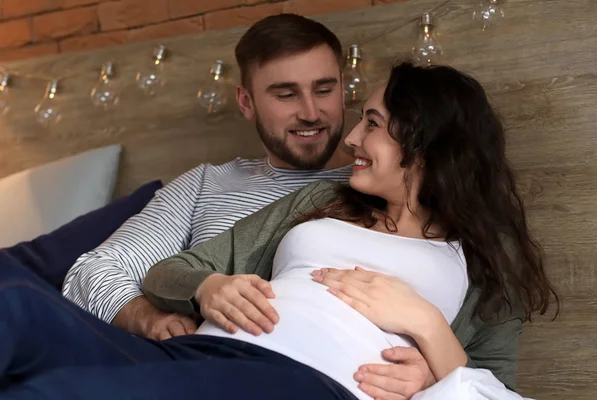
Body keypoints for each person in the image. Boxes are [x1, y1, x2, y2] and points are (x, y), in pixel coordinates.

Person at [1, 62, 557, 400]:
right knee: (16, 302)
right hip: (202, 355)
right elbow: (175, 270)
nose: (350, 140)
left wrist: (431, 338)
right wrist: (207, 288)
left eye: (374, 124)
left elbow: (497, 390)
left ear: (428, 146)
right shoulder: (322, 198)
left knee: (59, 394)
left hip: (305, 382)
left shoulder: (485, 252)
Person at [60, 14, 436, 399]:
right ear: (246, 101)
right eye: (286, 94)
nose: (310, 112)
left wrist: (436, 370)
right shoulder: (206, 184)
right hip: (193, 363)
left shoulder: (387, 186)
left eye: (323, 89)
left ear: (343, 89)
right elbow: (91, 272)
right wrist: (154, 320)